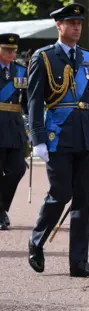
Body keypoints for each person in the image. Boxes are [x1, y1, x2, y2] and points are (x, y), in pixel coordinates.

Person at [27, 3, 89, 277]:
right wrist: (37, 138)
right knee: (61, 193)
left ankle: (78, 262)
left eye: (79, 22)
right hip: (57, 135)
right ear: (58, 25)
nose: (77, 26)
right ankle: (36, 240)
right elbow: (34, 101)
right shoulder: (44, 57)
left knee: (83, 201)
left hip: (86, 135)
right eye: (71, 22)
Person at [0, 33, 28, 230]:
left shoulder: (21, 71)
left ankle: (0, 207)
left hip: (16, 127)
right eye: (6, 50)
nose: (11, 53)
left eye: (13, 50)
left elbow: (26, 101)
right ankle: (1, 211)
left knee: (18, 168)